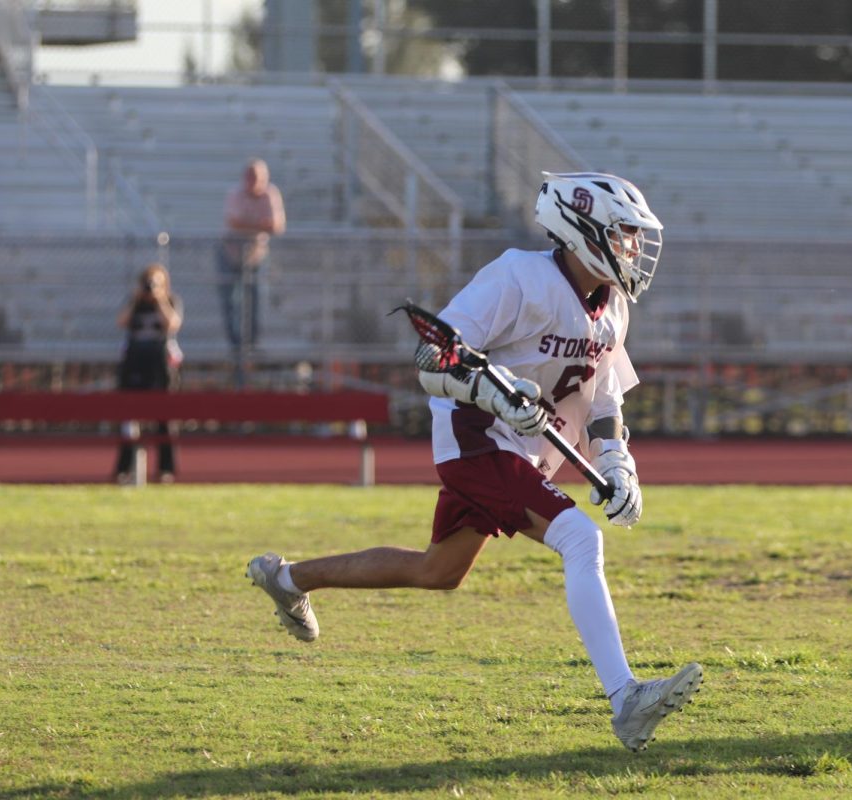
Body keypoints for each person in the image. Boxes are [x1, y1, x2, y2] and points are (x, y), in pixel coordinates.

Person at [246, 172, 700, 752]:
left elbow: (603, 396)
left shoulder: (611, 307)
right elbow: (433, 357)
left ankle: (286, 578)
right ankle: (625, 699)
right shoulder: (520, 275)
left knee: (439, 570)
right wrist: (497, 391)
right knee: (581, 541)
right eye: (624, 234)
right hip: (479, 439)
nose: (634, 248)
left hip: (526, 451)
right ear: (583, 229)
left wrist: (616, 461)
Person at [114, 262, 183, 485]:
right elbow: (121, 322)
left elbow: (172, 324)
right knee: (128, 417)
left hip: (159, 363)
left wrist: (160, 299)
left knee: (164, 417)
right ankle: (124, 467)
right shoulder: (134, 303)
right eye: (148, 283)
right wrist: (136, 299)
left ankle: (166, 468)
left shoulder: (170, 301)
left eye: (156, 283)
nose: (150, 288)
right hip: (134, 361)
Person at [217, 158, 286, 352]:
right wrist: (259, 226)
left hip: (256, 255)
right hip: (230, 254)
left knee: (257, 297)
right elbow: (234, 223)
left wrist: (247, 224)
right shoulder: (235, 194)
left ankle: (253, 343)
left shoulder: (270, 194)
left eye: (256, 177)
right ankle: (236, 344)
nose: (252, 181)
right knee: (231, 298)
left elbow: (277, 226)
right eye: (249, 176)